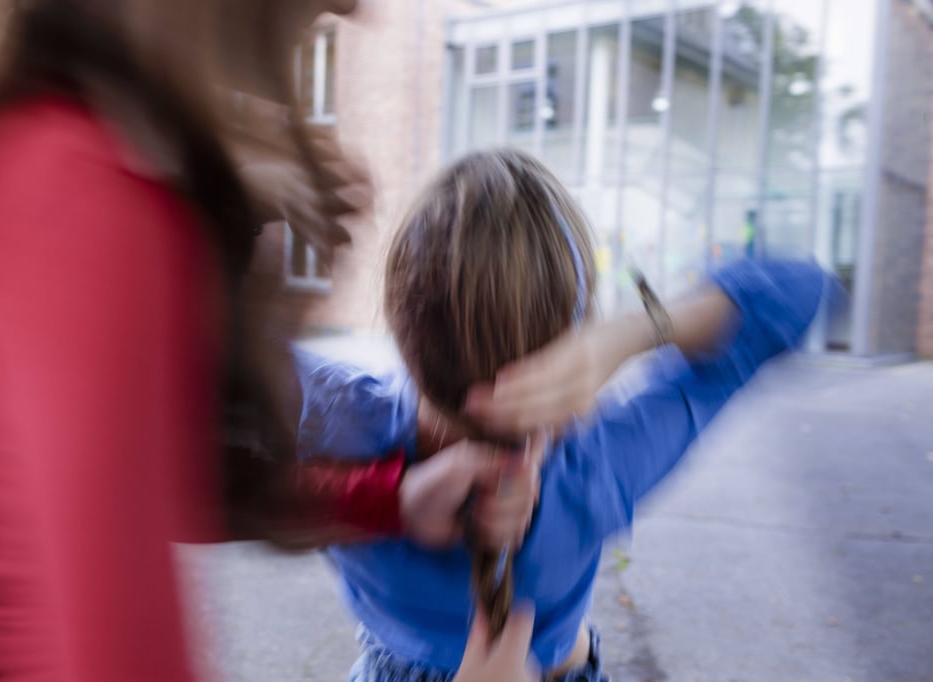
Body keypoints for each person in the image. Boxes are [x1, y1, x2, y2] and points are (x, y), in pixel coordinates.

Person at [0, 2, 539, 680]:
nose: (356, 8)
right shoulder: (79, 204)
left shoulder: (26, 152)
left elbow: (152, 486)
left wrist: (393, 498)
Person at [292, 149, 827, 680]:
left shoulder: (337, 421)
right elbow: (797, 291)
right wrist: (630, 335)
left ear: (396, 312)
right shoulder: (599, 466)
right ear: (573, 330)